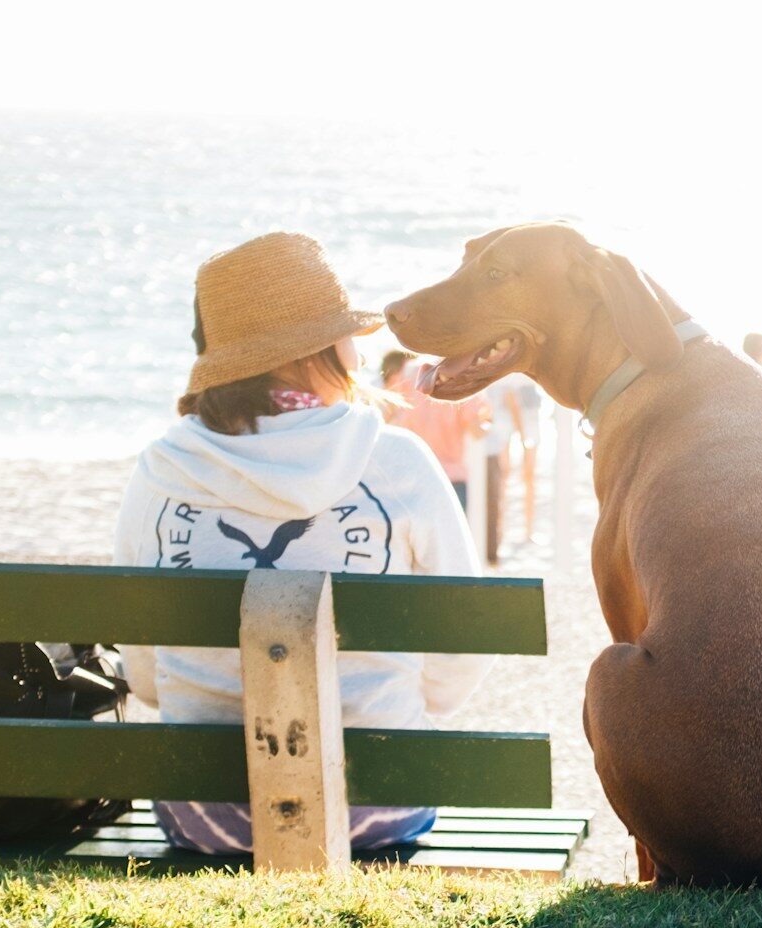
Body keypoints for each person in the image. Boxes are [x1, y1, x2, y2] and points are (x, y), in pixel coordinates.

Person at [112, 232, 492, 853]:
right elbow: (466, 638)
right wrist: (405, 707)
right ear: (325, 349)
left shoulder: (162, 469)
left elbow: (147, 678)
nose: (359, 351)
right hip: (377, 800)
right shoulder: (393, 460)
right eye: (346, 334)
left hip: (204, 812)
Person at [386, 349, 489, 507]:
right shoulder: (463, 376)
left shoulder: (410, 373)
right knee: (453, 531)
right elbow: (477, 432)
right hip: (451, 480)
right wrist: (487, 419)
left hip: (414, 477)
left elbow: (390, 415)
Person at [483, 373, 542, 560]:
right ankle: (510, 529)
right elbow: (510, 397)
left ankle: (524, 529)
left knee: (524, 476)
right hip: (509, 415)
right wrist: (523, 432)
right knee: (509, 476)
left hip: (520, 414)